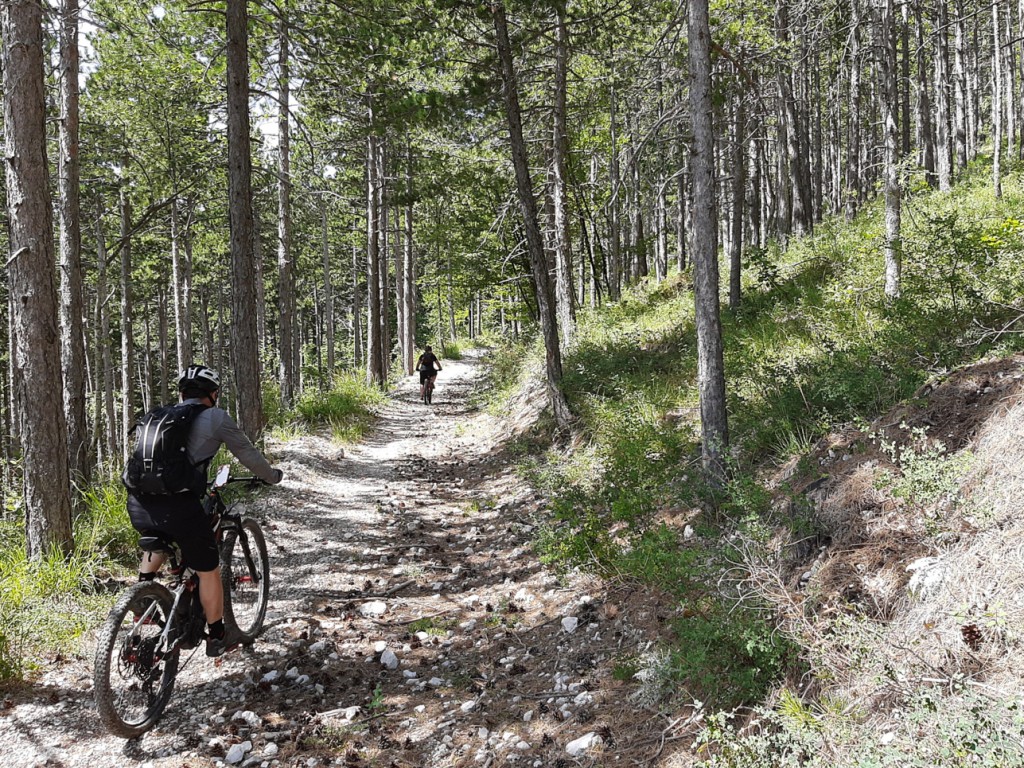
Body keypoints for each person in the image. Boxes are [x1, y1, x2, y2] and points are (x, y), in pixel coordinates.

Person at [127, 365, 284, 657]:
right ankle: (217, 635)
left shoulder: (160, 417)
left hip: (138, 503)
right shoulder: (215, 417)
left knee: (158, 533)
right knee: (208, 568)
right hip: (180, 507)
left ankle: (142, 599)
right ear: (212, 394)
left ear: (182, 393)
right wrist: (271, 476)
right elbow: (248, 454)